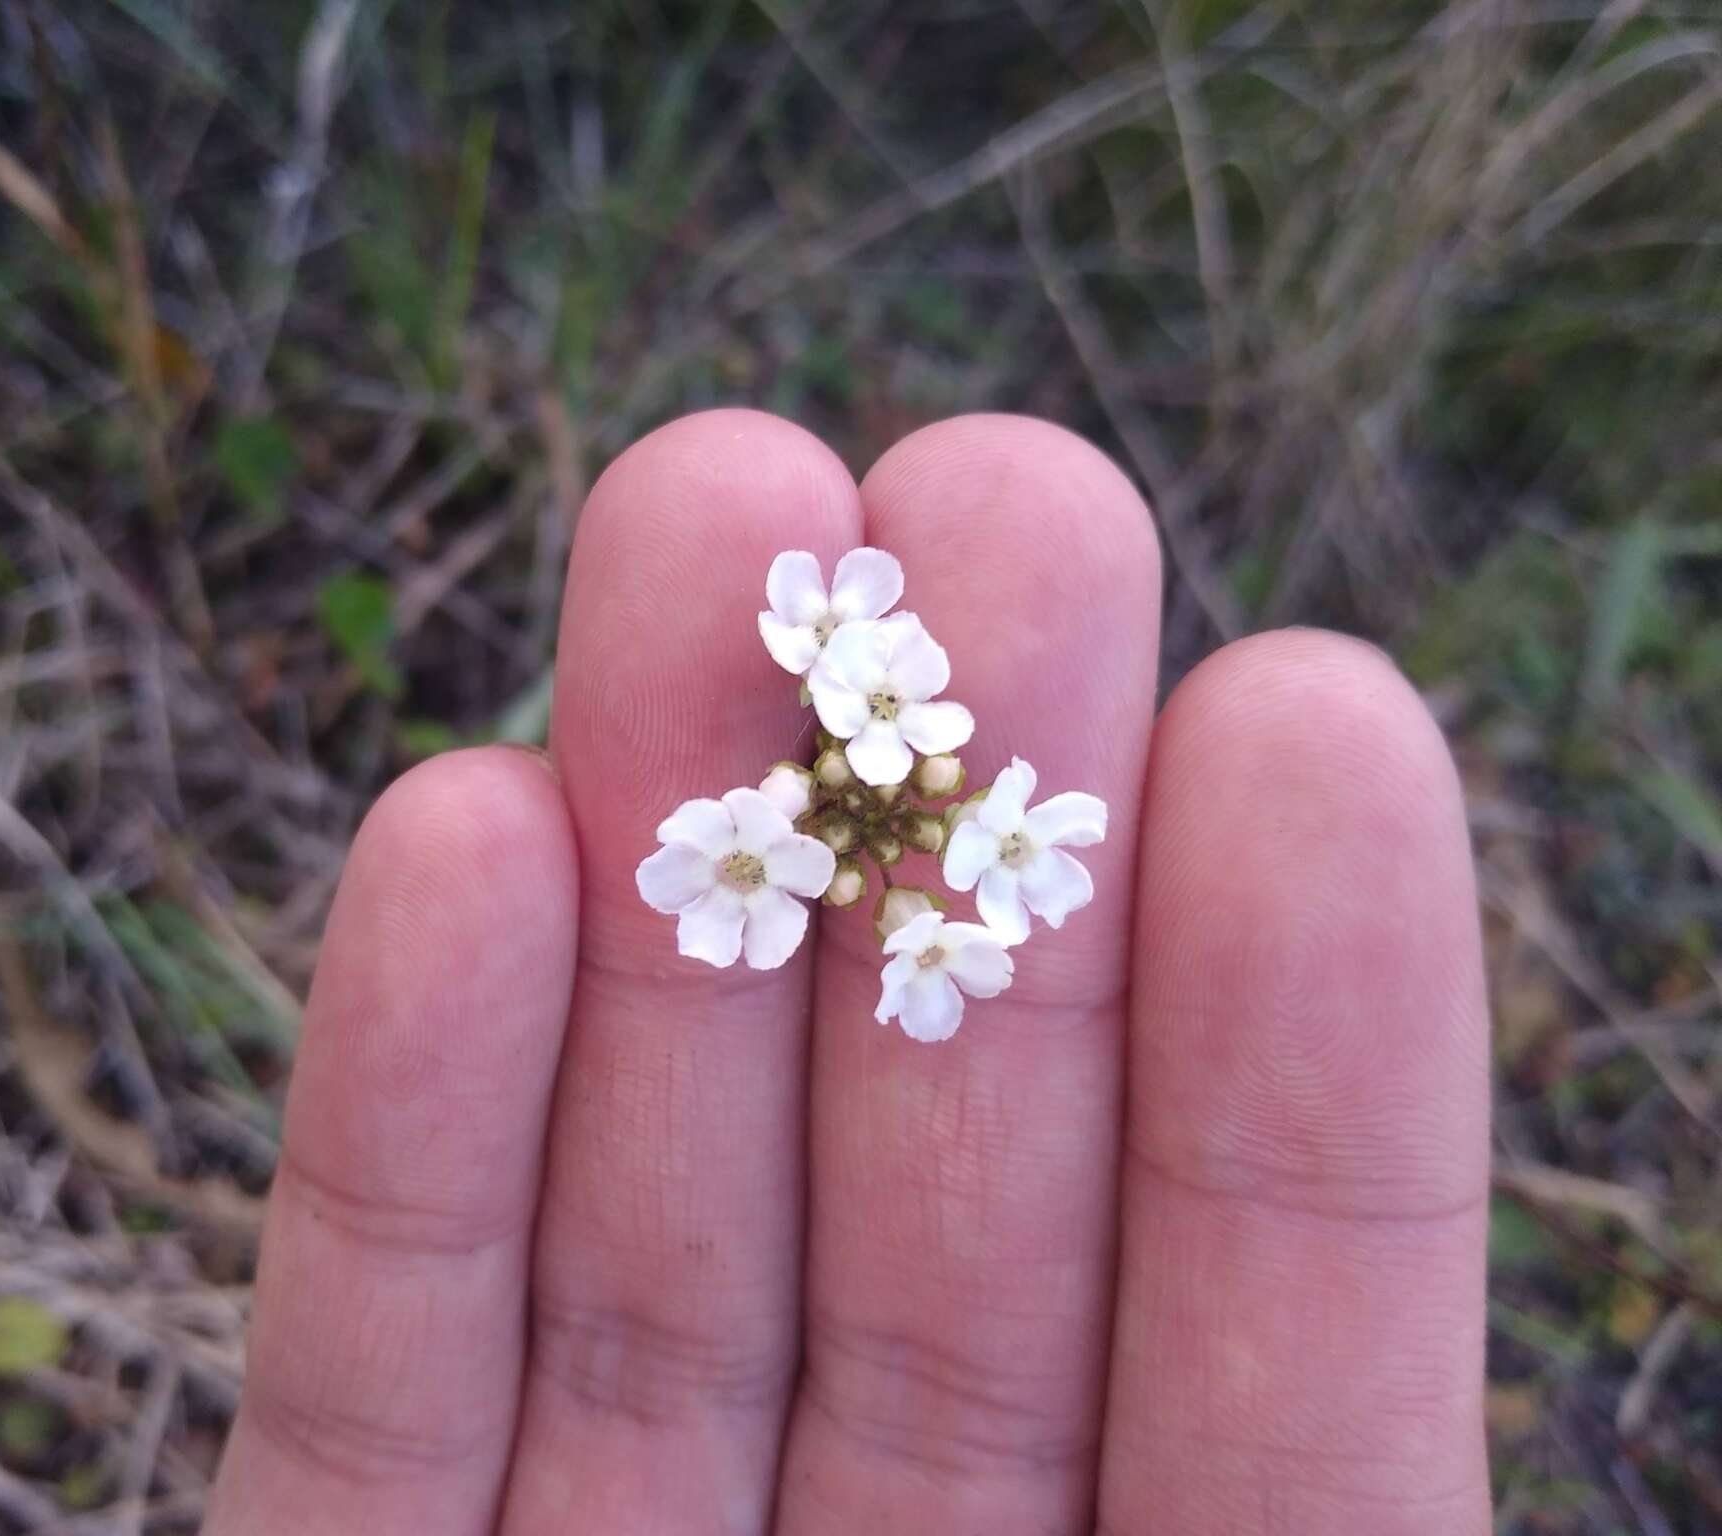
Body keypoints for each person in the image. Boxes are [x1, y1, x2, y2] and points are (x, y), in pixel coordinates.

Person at [203, 411, 1492, 1534]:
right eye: (865, 688)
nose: (877, 704)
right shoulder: (805, 791)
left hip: (902, 840)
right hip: (840, 826)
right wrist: (817, 834)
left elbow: (899, 810)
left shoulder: (912, 798)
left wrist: (930, 870)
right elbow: (829, 822)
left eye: (878, 697)